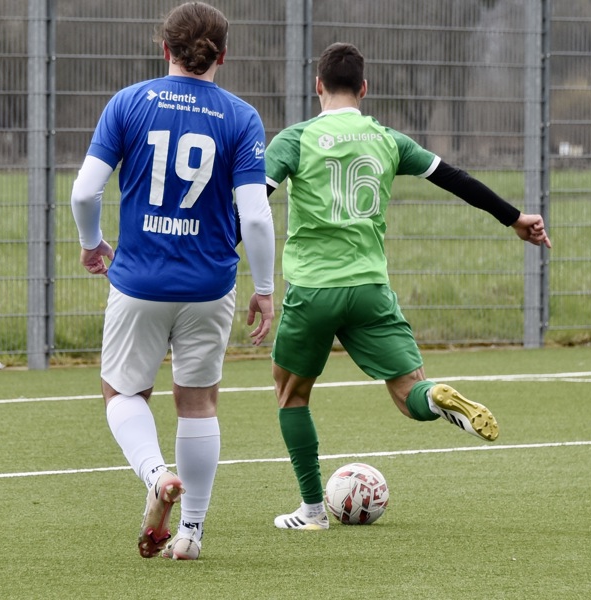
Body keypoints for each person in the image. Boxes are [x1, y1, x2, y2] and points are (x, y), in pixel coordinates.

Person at [263, 42, 552, 530]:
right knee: (408, 393)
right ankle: (436, 395)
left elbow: (253, 203)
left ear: (318, 86)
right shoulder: (387, 139)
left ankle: (312, 511)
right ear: (364, 88)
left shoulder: (295, 139)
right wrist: (515, 218)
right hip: (370, 288)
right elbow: (455, 179)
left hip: (313, 288)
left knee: (291, 394)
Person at [70, 2, 276, 560]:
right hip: (210, 286)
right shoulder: (241, 118)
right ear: (223, 56)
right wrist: (263, 288)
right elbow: (257, 218)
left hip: (138, 281)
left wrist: (92, 243)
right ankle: (191, 533)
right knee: (199, 402)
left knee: (123, 393)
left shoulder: (129, 102)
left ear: (165, 48)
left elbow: (85, 191)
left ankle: (156, 473)